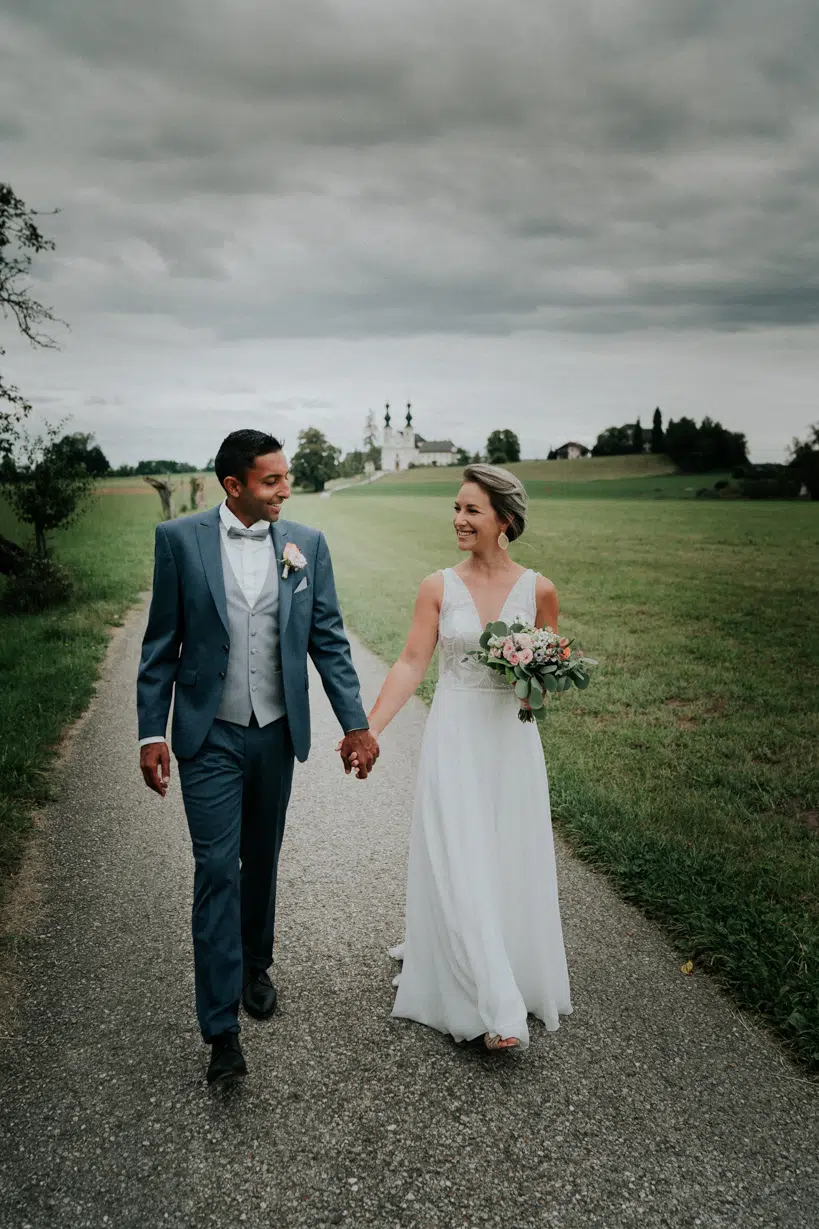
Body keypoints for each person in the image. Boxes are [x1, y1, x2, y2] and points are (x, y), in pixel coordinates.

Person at [136, 429, 379, 1086]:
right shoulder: (179, 542)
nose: (284, 488)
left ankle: (254, 965)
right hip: (207, 733)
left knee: (261, 858)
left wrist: (354, 723)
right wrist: (149, 732)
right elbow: (160, 645)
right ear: (233, 484)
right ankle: (220, 1029)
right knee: (217, 866)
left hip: (274, 732)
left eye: (286, 476)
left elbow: (326, 641)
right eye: (271, 479)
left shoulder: (305, 545)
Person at [365, 463, 571, 1051]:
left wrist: (536, 671)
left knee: (506, 851)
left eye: (472, 510)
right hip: (454, 733)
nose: (458, 519)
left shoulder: (540, 590)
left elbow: (551, 676)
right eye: (456, 508)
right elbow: (409, 663)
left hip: (511, 737)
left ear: (504, 520)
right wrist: (371, 727)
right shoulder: (437, 586)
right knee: (458, 852)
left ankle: (508, 965)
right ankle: (491, 1003)